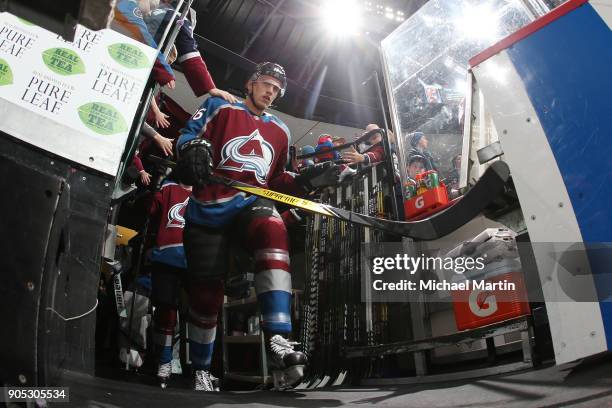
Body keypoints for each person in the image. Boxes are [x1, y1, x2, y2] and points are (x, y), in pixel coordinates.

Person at [175, 62, 337, 391]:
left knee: (273, 226)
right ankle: (202, 369)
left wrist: (308, 178)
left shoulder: (281, 131)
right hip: (208, 207)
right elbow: (187, 137)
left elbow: (276, 181)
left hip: (250, 202)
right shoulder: (219, 106)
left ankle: (278, 337)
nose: (270, 92)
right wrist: (192, 149)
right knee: (206, 296)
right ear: (251, 83)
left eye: (276, 90)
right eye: (266, 84)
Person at [144, 174, 198, 389]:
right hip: (167, 256)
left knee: (200, 313)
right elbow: (150, 211)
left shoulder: (205, 191)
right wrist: (154, 187)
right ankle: (164, 363)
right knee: (166, 312)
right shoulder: (169, 187)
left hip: (196, 259)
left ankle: (201, 368)